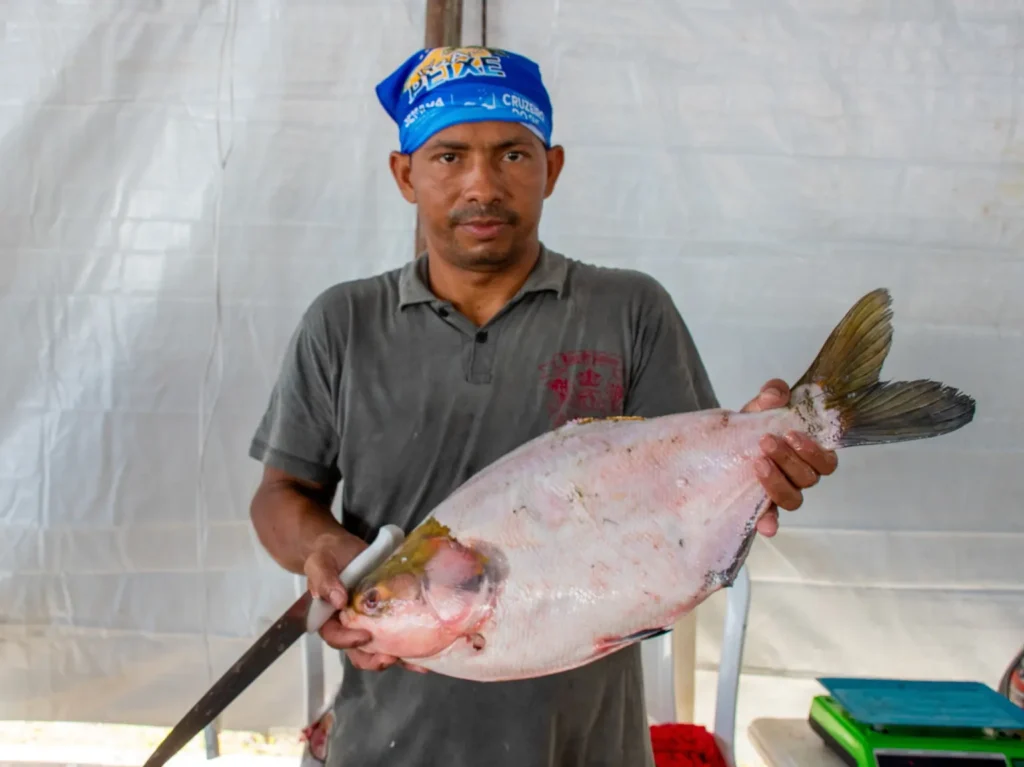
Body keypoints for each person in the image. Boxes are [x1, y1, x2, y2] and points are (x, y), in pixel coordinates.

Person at [248, 46, 838, 767]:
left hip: (589, 747)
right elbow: (281, 494)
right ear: (404, 174)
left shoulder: (631, 310)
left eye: (512, 155)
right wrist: (326, 551)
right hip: (386, 747)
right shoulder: (343, 322)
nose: (482, 184)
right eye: (448, 156)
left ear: (552, 168)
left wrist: (762, 457)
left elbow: (693, 500)